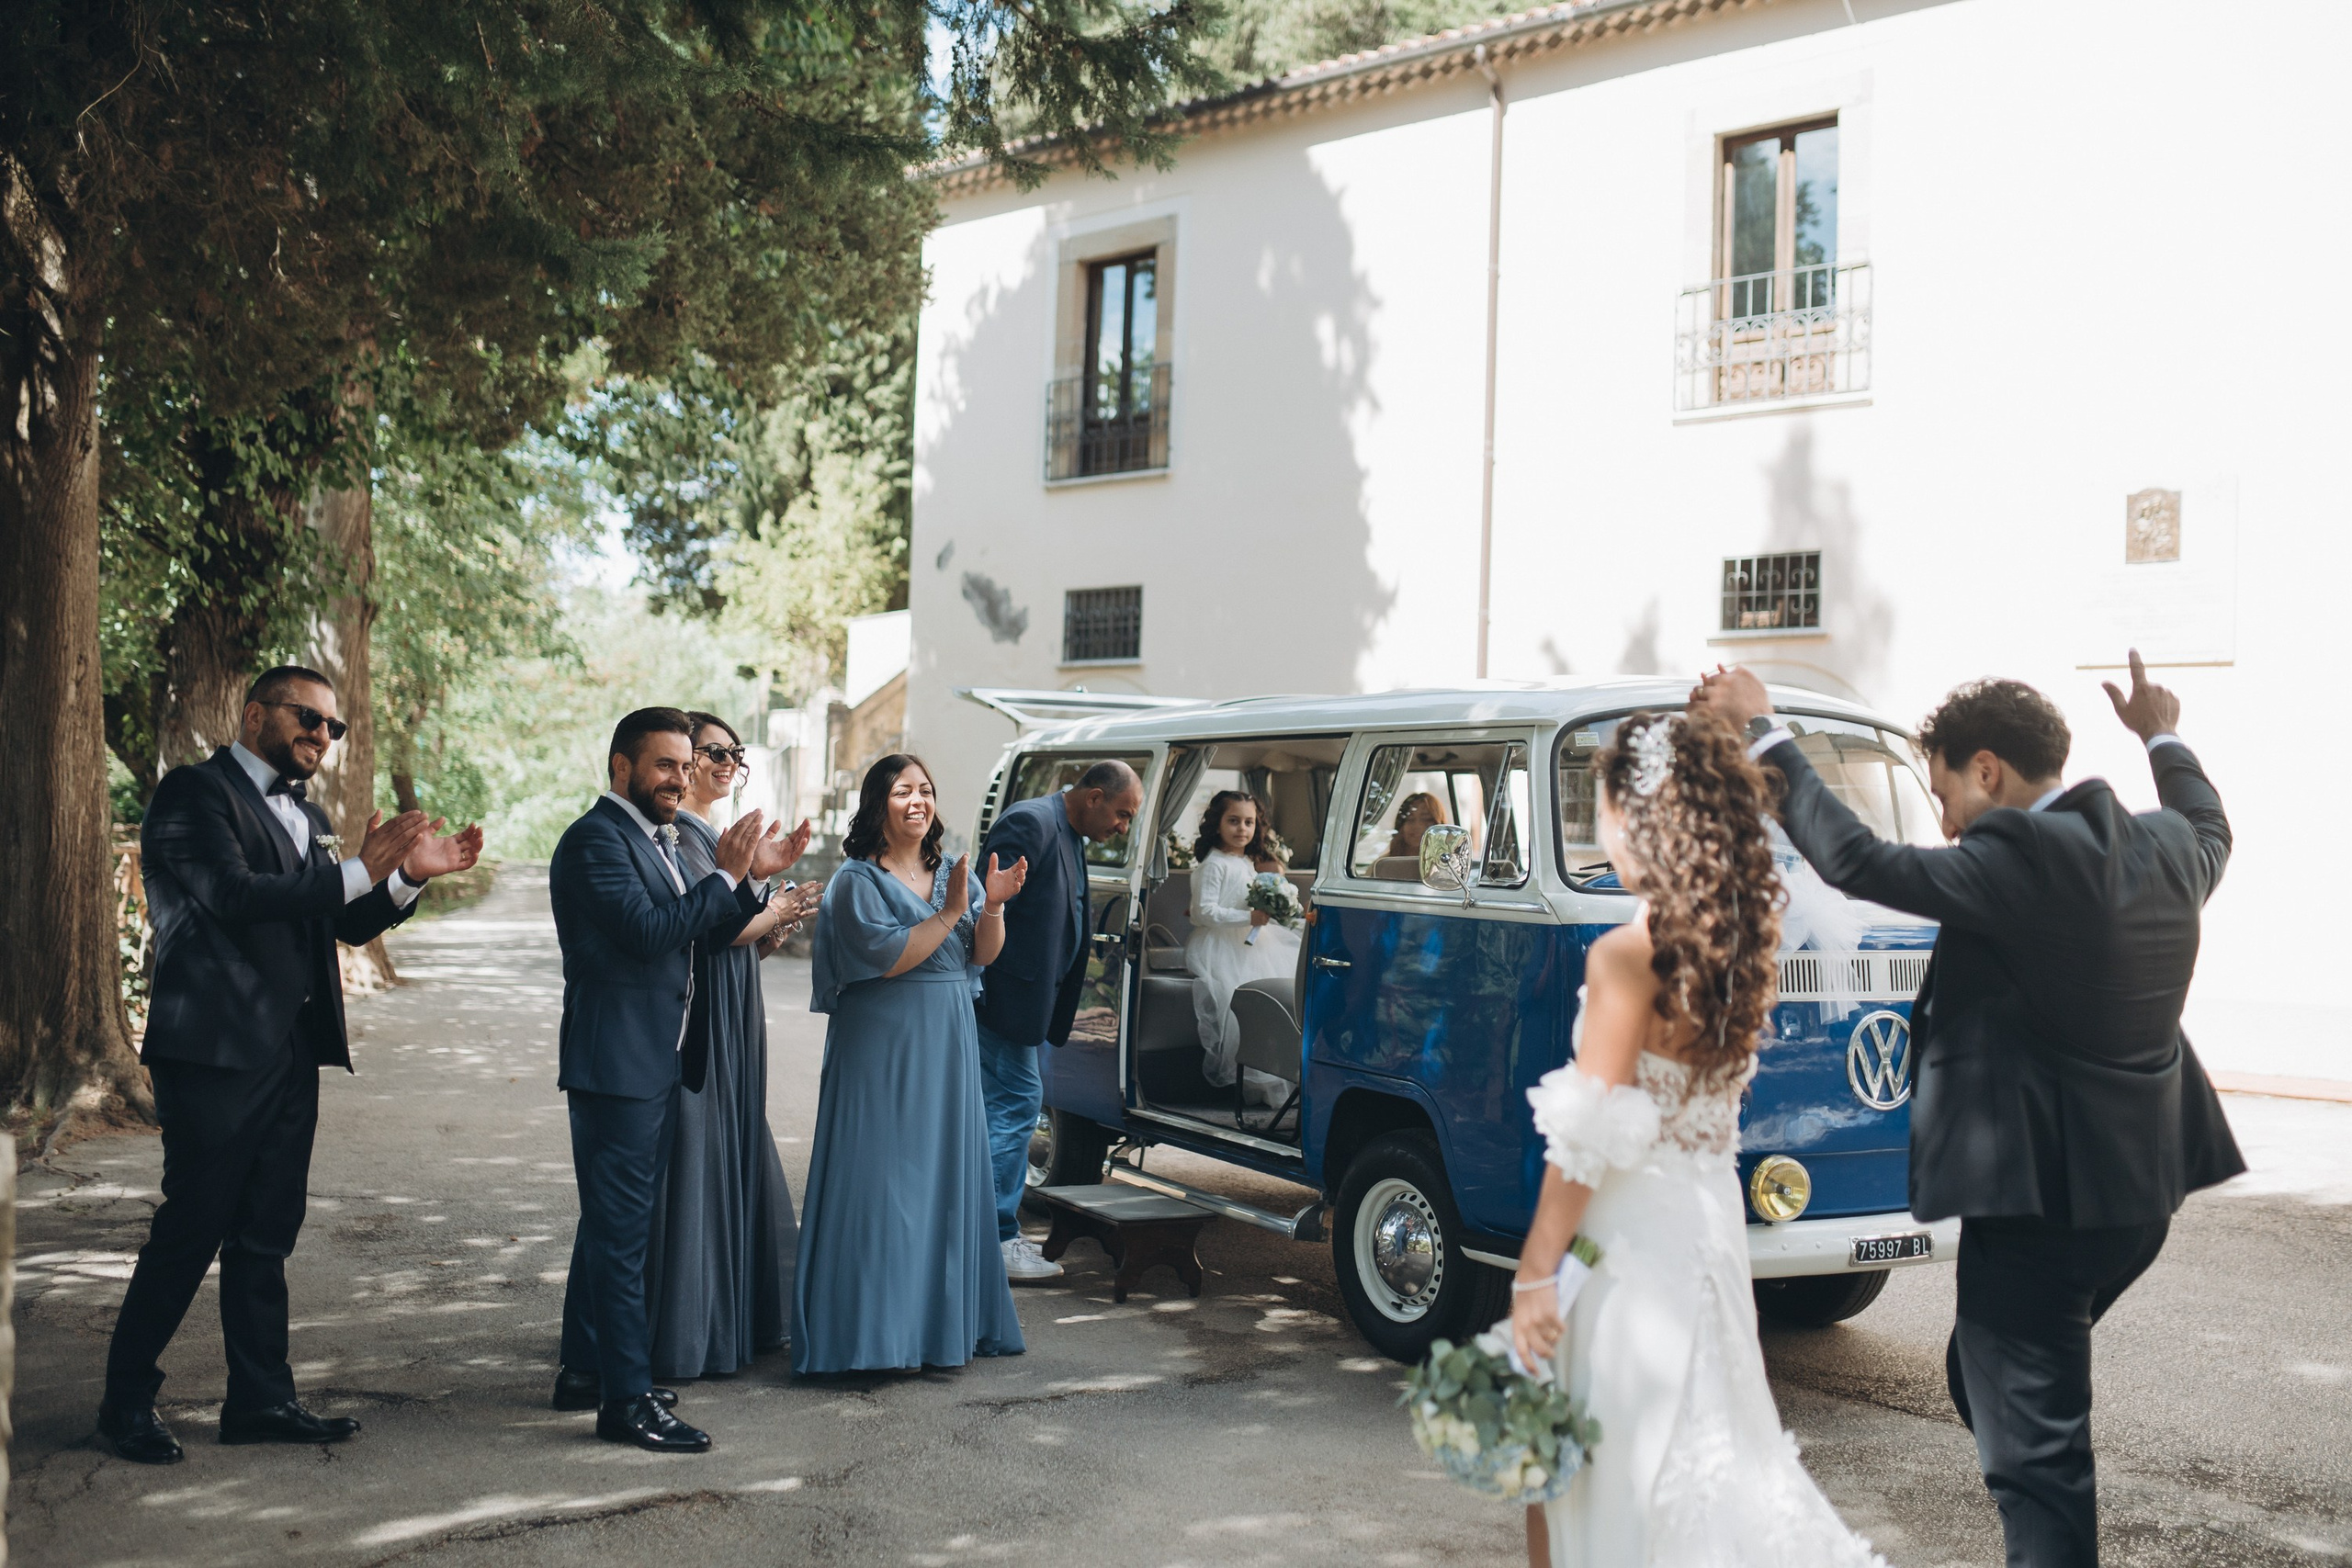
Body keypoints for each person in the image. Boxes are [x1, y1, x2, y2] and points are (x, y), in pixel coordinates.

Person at [1696, 655, 2243, 1568]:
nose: (1943, 818)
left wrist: (1764, 729)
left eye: (1944, 787)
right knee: (1987, 1377)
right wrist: (2160, 730)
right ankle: (2029, 1415)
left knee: (2036, 1457)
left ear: (1986, 770)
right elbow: (2211, 821)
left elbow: (1856, 860)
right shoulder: (2168, 847)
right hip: (2140, 1201)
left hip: (2039, 1206)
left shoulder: (2020, 853)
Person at [1510, 709, 1886, 1568]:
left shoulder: (1628, 954)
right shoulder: (1742, 945)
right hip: (1709, 1232)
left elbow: (1588, 1136)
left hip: (1634, 1240)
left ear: (1638, 817)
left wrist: (1535, 1271)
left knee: (1607, 1460)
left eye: (1601, 808)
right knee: (1708, 1441)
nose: (1599, 829)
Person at [98, 665, 482, 1466]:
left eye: (333, 727)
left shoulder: (304, 815)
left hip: (288, 1054)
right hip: (210, 1053)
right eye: (309, 718)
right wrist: (359, 868)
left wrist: (408, 875)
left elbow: (337, 919)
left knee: (268, 1230)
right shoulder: (191, 796)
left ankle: (261, 1399)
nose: (322, 735)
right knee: (192, 1224)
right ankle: (125, 1400)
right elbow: (235, 895)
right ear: (253, 715)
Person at [548, 707, 794, 1453]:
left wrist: (749, 884)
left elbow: (705, 927)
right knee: (622, 1239)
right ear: (620, 767)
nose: (678, 780)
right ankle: (625, 1401)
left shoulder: (654, 839)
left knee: (611, 1231)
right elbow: (653, 932)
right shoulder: (596, 840)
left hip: (657, 1059)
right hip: (616, 1064)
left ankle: (590, 1370)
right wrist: (725, 873)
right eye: (664, 765)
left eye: (685, 767)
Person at [793, 754, 1030, 1372]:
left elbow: (981, 953)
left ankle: (936, 1330)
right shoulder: (855, 881)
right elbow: (892, 955)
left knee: (940, 1181)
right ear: (879, 804)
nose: (919, 800)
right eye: (904, 790)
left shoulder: (952, 869)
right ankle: (870, 1335)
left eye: (926, 788)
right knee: (881, 1183)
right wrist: (951, 911)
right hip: (882, 1044)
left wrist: (995, 907)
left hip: (948, 1037)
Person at [645, 712, 821, 1382]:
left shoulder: (708, 835)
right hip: (705, 1008)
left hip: (734, 996)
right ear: (681, 762)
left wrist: (769, 909)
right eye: (713, 750)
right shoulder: (680, 836)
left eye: (735, 753)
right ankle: (691, 1321)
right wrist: (771, 908)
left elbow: (730, 917)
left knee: (732, 1142)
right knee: (698, 1154)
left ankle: (730, 1314)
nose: (727, 762)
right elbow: (707, 926)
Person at [972, 760, 1144, 1281]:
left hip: (1029, 1008)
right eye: (1122, 814)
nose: (1123, 826)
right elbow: (983, 907)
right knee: (1016, 1106)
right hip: (1004, 1005)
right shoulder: (1029, 823)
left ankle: (984, 1231)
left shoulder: (1068, 830)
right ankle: (997, 1238)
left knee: (1005, 1110)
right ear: (1093, 797)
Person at [1183, 790, 1297, 1106]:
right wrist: (1247, 917)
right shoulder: (1213, 865)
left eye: (1248, 822)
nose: (1242, 829)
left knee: (1278, 1002)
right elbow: (1202, 912)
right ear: (1217, 824)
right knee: (1242, 1013)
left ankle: (1272, 1081)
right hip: (1221, 946)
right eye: (1233, 821)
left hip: (1255, 942)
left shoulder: (1247, 862)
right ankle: (1249, 1086)